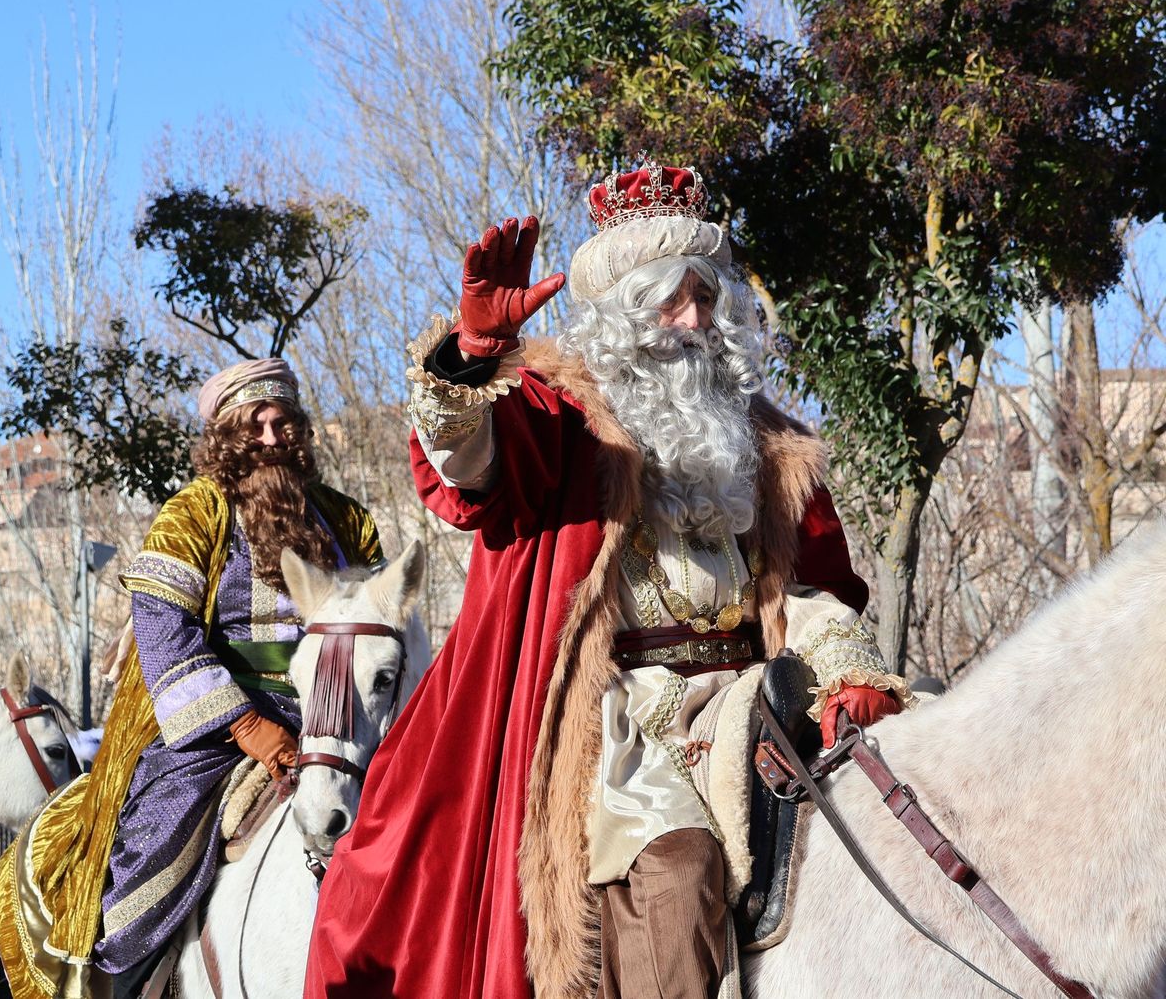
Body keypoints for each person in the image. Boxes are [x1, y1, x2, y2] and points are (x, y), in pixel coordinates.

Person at [305, 158, 911, 999]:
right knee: (680, 870)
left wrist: (848, 665)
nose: (693, 319)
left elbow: (811, 589)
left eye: (706, 296)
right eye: (671, 297)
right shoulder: (565, 422)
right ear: (625, 315)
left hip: (751, 701)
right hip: (626, 723)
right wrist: (475, 356)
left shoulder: (767, 440)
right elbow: (469, 470)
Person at [0, 359, 384, 999]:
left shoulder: (348, 522)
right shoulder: (192, 514)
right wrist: (248, 724)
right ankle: (122, 983)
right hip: (216, 732)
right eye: (253, 423)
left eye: (282, 421)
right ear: (226, 435)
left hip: (343, 722)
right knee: (152, 864)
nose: (270, 436)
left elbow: (378, 624)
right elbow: (161, 630)